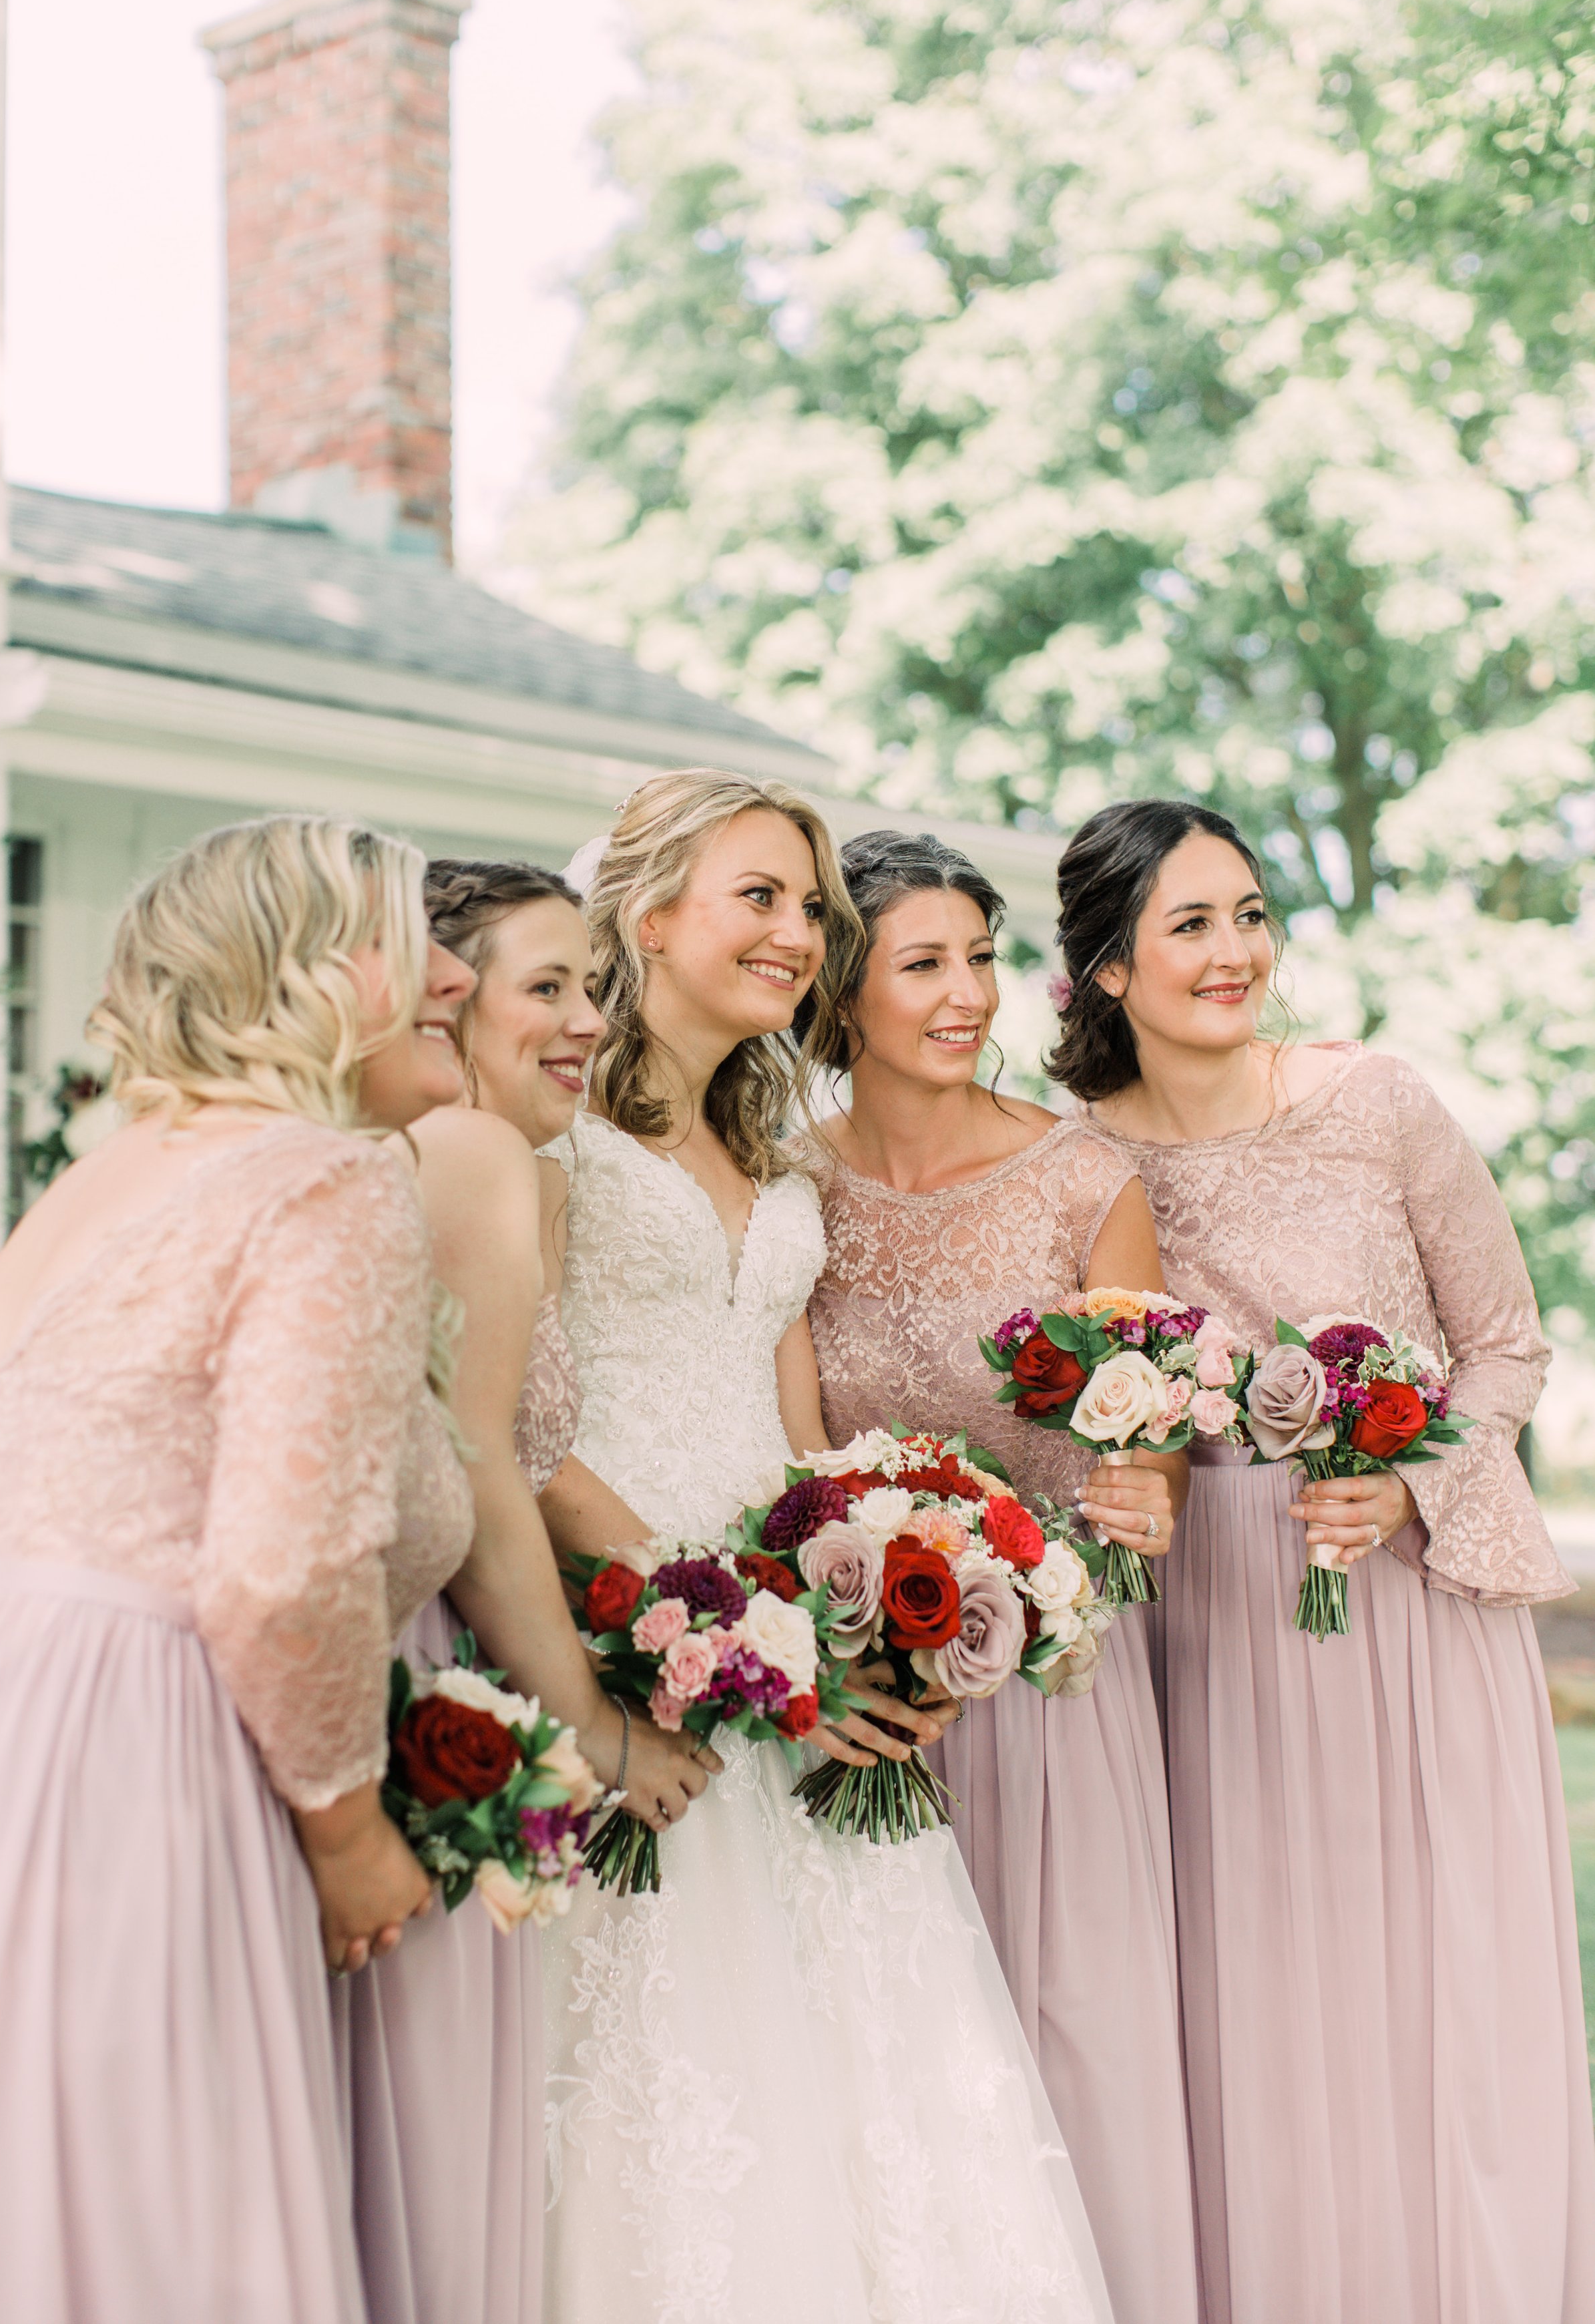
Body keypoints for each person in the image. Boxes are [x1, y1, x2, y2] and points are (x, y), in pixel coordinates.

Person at [533, 768, 1114, 2324]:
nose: (799, 931)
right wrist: (716, 1631)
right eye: (761, 896)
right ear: (648, 915)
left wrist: (843, 1616)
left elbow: (798, 1444)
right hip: (627, 1631)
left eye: (809, 904)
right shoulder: (550, 1122)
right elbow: (517, 1426)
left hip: (787, 1655)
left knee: (871, 2092)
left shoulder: (770, 1147)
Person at [0, 815, 478, 2324]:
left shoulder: (97, 1187)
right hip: (135, 1749)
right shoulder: (321, 1181)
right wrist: (351, 1829)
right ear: (300, 973)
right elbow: (281, 1572)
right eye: (410, 935)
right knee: (157, 2219)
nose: (451, 973)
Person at [1056, 796, 1595, 2324]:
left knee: (1430, 1992)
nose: (1234, 953)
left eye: (1248, 915)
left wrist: (1414, 1480)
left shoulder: (1377, 1100)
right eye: (1188, 925)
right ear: (1103, 969)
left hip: (1404, 1602)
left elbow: (1502, 1343)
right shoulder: (1075, 1158)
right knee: (1252, 1998)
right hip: (1202, 1617)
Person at [799, 826, 1198, 2324]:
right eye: (924, 964)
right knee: (879, 2080)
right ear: (842, 993)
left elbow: (1141, 1442)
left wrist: (1135, 1490)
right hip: (857, 1697)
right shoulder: (784, 1190)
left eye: (979, 955)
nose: (967, 992)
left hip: (1049, 1691)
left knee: (1067, 2045)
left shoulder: (1082, 1178)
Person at [338, 859, 711, 2324]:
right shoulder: (472, 1154)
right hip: (444, 1667)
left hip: (449, 1642)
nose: (585, 1022)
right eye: (542, 987)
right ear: (446, 992)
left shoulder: (475, 1156)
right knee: (437, 2124)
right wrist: (598, 1737)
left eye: (593, 989)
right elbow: (486, 1471)